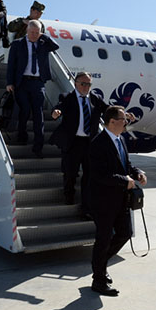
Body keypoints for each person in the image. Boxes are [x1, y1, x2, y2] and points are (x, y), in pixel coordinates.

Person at [89, 105, 147, 296]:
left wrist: (136, 173)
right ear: (112, 122)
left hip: (120, 199)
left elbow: (125, 165)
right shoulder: (98, 144)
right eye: (124, 119)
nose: (126, 122)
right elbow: (99, 174)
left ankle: (100, 265)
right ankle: (98, 280)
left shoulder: (120, 139)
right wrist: (124, 180)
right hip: (103, 201)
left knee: (125, 233)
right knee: (103, 239)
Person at [49, 72, 109, 210]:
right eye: (83, 84)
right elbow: (59, 107)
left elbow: (108, 109)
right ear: (76, 83)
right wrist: (55, 112)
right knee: (70, 172)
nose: (86, 87)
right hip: (73, 143)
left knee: (89, 173)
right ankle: (69, 197)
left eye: (89, 84)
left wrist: (123, 113)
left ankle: (86, 203)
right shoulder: (67, 97)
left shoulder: (95, 98)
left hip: (89, 143)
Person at [6, 20, 59, 158]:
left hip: (38, 83)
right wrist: (9, 82)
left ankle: (38, 147)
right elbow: (11, 64)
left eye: (37, 32)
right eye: (32, 32)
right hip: (22, 82)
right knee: (24, 110)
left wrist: (44, 36)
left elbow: (56, 46)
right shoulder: (17, 44)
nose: (34, 35)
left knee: (38, 114)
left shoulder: (43, 44)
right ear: (27, 31)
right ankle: (22, 135)